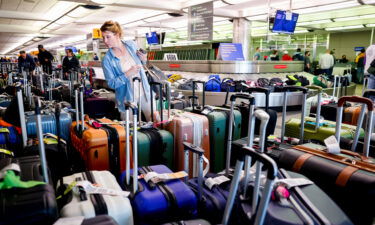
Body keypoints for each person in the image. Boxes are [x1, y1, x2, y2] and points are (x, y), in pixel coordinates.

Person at [100, 20, 154, 121]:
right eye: (103, 37)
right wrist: (128, 74)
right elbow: (111, 83)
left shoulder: (131, 45)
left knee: (154, 122)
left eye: (108, 37)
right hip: (126, 98)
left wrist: (144, 59)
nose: (105, 41)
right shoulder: (107, 60)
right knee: (129, 130)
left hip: (144, 92)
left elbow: (142, 65)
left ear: (117, 35)